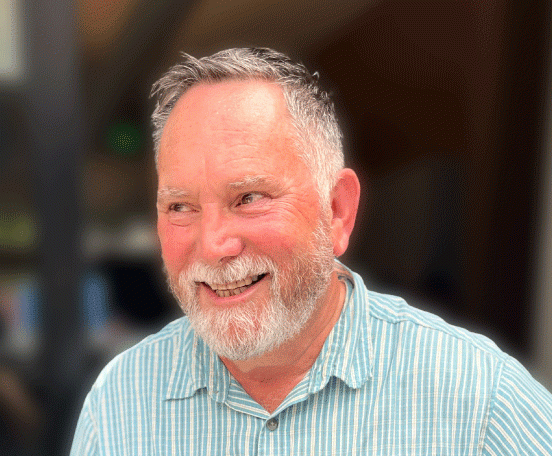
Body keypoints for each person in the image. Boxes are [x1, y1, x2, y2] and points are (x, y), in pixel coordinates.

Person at [70, 48, 552, 455]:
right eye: (180, 206)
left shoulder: (480, 402)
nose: (213, 244)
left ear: (338, 210)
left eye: (249, 197)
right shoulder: (119, 407)